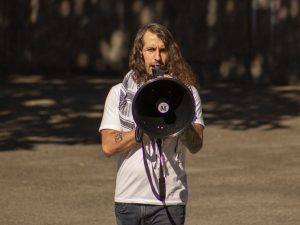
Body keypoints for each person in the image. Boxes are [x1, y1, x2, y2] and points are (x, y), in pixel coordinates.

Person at [99, 23, 204, 225]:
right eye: (150, 50)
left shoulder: (187, 94)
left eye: (163, 50)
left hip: (170, 201)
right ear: (139, 54)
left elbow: (196, 144)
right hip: (128, 199)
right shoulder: (119, 93)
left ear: (170, 54)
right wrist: (143, 128)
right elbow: (108, 146)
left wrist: (177, 115)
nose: (157, 57)